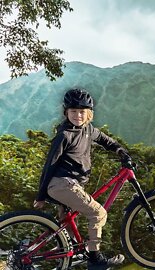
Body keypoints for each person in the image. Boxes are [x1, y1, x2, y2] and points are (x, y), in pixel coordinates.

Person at [33, 88, 129, 269]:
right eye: (73, 111)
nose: (78, 115)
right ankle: (95, 258)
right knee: (98, 213)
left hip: (71, 185)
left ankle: (48, 255)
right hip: (62, 184)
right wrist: (40, 196)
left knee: (66, 232)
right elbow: (49, 165)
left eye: (82, 112)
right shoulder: (64, 135)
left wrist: (120, 150)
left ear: (89, 114)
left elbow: (105, 140)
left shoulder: (88, 129)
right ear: (66, 112)